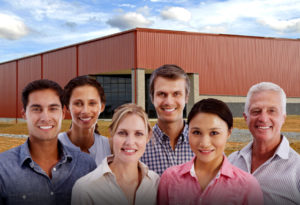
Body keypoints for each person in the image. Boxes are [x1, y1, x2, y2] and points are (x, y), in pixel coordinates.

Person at [0, 79, 96, 205]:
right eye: (36, 109)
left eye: (53, 109)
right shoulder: (2, 167)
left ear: (62, 113)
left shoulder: (86, 165)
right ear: (24, 114)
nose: (45, 117)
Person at [157, 98, 263, 205]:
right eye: (197, 132)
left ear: (229, 132)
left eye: (214, 133)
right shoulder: (169, 179)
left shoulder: (248, 186)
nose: (204, 143)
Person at [71, 103, 160, 205]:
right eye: (122, 133)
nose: (130, 142)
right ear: (112, 134)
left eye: (138, 134)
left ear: (148, 137)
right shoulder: (85, 189)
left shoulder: (155, 183)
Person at [228, 82, 300, 204]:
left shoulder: (297, 169)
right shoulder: (232, 161)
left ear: (283, 117)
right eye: (256, 111)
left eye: (272, 111)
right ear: (246, 117)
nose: (263, 118)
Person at [140, 64, 194, 175]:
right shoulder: (139, 146)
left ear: (186, 97)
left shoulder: (203, 142)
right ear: (152, 97)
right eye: (162, 94)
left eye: (176, 94)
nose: (169, 102)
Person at [58, 76, 111, 165]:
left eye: (92, 103)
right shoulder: (53, 146)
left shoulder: (110, 147)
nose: (85, 111)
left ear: (101, 107)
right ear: (67, 107)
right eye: (78, 103)